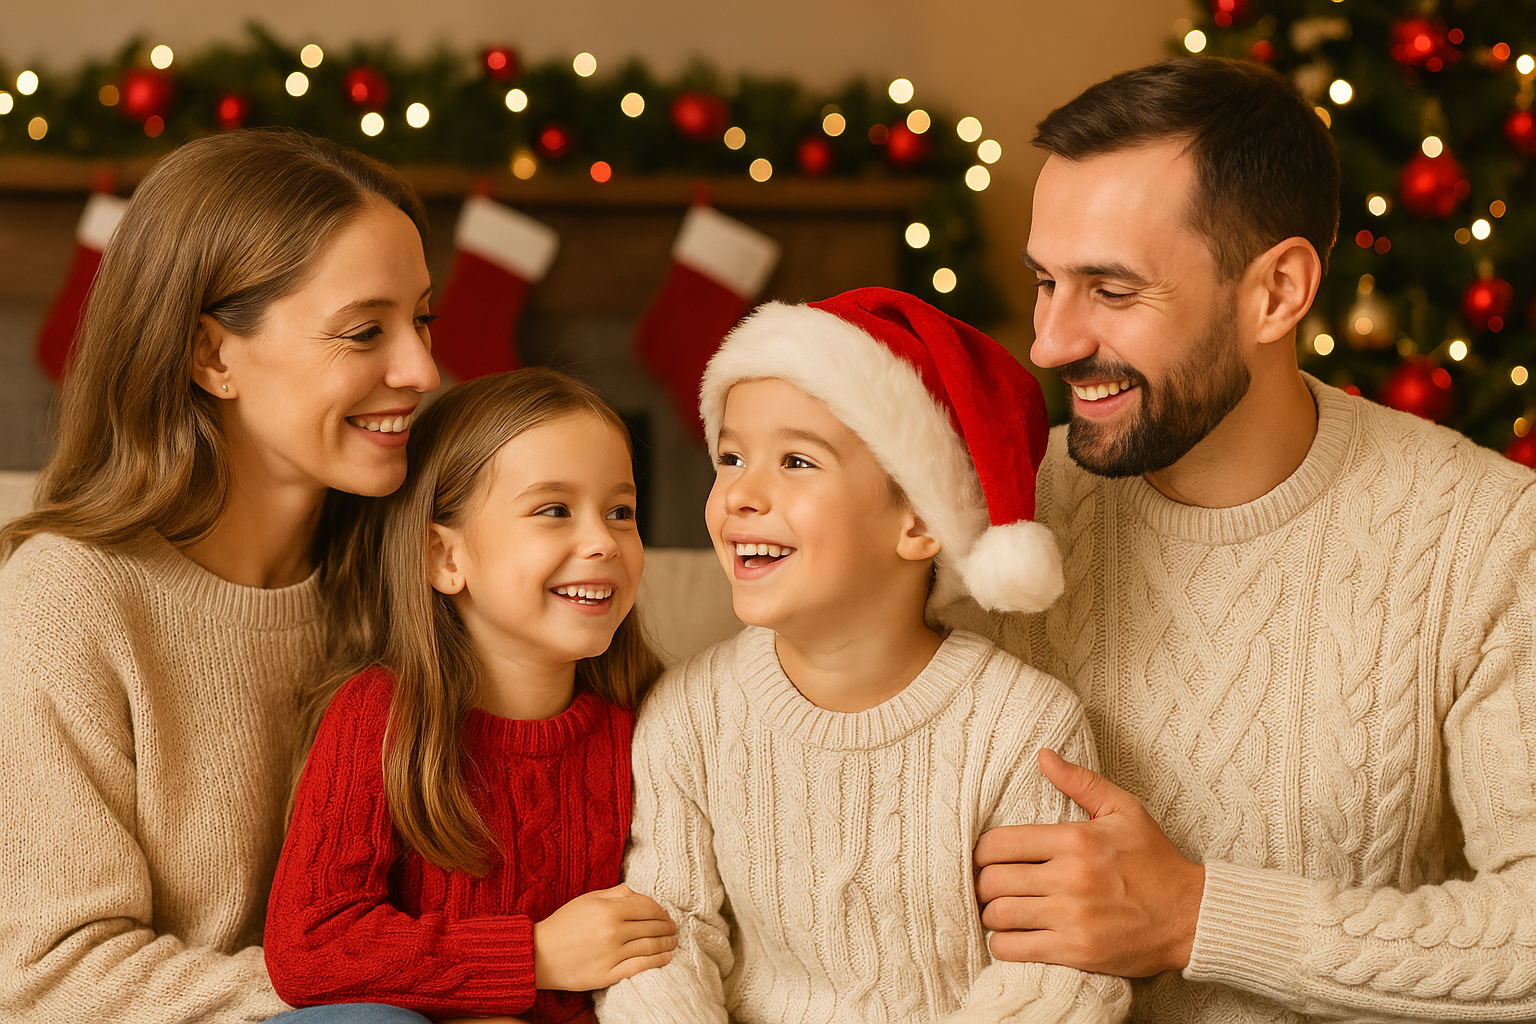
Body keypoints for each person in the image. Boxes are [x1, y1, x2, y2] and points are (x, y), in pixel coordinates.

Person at [947, 56, 1536, 1022]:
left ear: (1277, 292)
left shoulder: (1484, 537)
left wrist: (1197, 916)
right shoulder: (994, 511)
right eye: (1046, 281)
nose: (1048, 342)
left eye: (1113, 290)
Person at [597, 288, 1132, 1024]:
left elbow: (1054, 975)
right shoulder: (691, 714)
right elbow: (663, 937)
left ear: (918, 521)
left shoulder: (1021, 727)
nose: (740, 494)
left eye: (795, 460)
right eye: (730, 456)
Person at [0, 129, 441, 1022]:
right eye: (366, 331)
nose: (422, 370)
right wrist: (407, 984)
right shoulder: (68, 597)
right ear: (211, 356)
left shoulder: (418, 569)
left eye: (422, 319)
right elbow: (50, 974)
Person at [264, 369, 676, 1024]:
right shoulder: (380, 716)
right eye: (554, 510)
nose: (602, 541)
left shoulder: (654, 724)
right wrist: (533, 955)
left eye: (620, 511)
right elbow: (310, 946)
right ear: (443, 558)